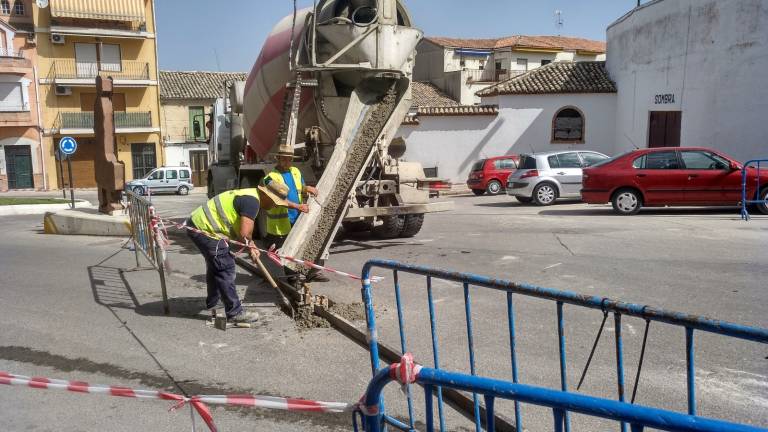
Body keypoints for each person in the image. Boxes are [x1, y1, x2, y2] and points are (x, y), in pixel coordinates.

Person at [186, 182, 294, 323]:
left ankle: (214, 302)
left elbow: (245, 231)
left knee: (216, 265)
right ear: (267, 196)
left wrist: (252, 245)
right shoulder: (252, 202)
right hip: (204, 230)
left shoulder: (251, 196)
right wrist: (251, 247)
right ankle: (234, 312)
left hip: (198, 225)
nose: (275, 206)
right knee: (225, 267)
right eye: (275, 203)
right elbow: (244, 234)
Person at [263, 144, 328, 283]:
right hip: (281, 223)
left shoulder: (295, 171)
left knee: (307, 243)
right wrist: (298, 206)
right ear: (278, 158)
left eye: (289, 159)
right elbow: (279, 199)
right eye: (284, 159)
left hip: (297, 217)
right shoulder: (270, 178)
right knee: (288, 251)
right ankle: (292, 278)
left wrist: (307, 188)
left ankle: (312, 272)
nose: (287, 162)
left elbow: (299, 188)